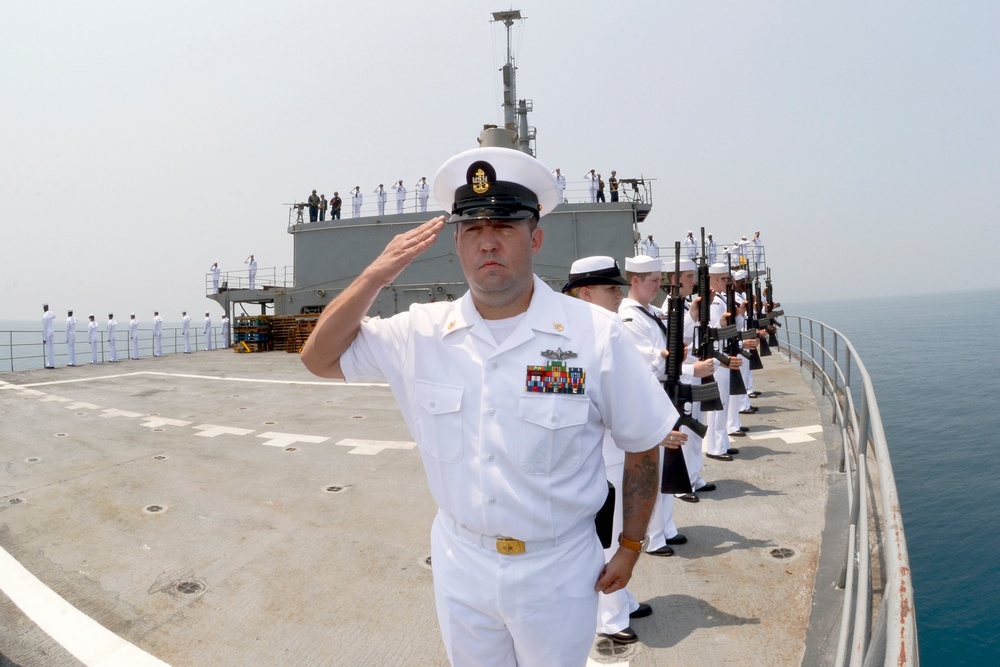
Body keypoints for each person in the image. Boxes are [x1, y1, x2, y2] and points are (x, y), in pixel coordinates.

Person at [300, 145, 686, 665]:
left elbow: (642, 444)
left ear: (535, 236)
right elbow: (318, 358)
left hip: (558, 567)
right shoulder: (420, 332)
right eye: (473, 230)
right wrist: (376, 275)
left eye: (504, 227)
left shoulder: (593, 335)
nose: (489, 243)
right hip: (461, 564)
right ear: (457, 242)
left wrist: (631, 544)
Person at [561, 256, 654, 647]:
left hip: (621, 448)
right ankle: (610, 617)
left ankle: (622, 598)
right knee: (609, 535)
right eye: (610, 288)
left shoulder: (603, 328)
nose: (619, 294)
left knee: (618, 530)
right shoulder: (571, 337)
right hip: (604, 454)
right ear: (585, 293)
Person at [617, 255, 686, 558]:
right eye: (654, 281)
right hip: (649, 396)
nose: (660, 286)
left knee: (669, 462)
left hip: (662, 393)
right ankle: (654, 536)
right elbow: (645, 360)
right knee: (654, 468)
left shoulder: (650, 312)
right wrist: (664, 354)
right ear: (635, 281)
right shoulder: (630, 317)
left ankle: (665, 527)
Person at [659, 256, 717, 502]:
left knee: (694, 432)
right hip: (683, 375)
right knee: (682, 433)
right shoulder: (667, 310)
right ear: (675, 279)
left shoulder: (685, 305)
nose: (693, 281)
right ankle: (681, 485)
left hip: (695, 372)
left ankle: (694, 476)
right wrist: (693, 316)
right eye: (689, 277)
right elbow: (674, 339)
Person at [703, 264, 745, 462]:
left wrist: (737, 316)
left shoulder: (721, 299)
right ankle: (715, 447)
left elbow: (732, 328)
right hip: (719, 357)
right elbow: (713, 332)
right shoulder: (713, 304)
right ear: (718, 280)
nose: (730, 283)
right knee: (717, 406)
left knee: (725, 402)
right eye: (727, 279)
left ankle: (723, 443)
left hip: (725, 354)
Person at [42, 304, 56, 369]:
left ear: (44, 308)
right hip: (52, 331)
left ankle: (49, 364)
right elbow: (54, 316)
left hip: (47, 332)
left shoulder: (45, 316)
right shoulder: (51, 313)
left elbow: (44, 327)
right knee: (52, 348)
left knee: (48, 348)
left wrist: (44, 338)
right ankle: (52, 363)